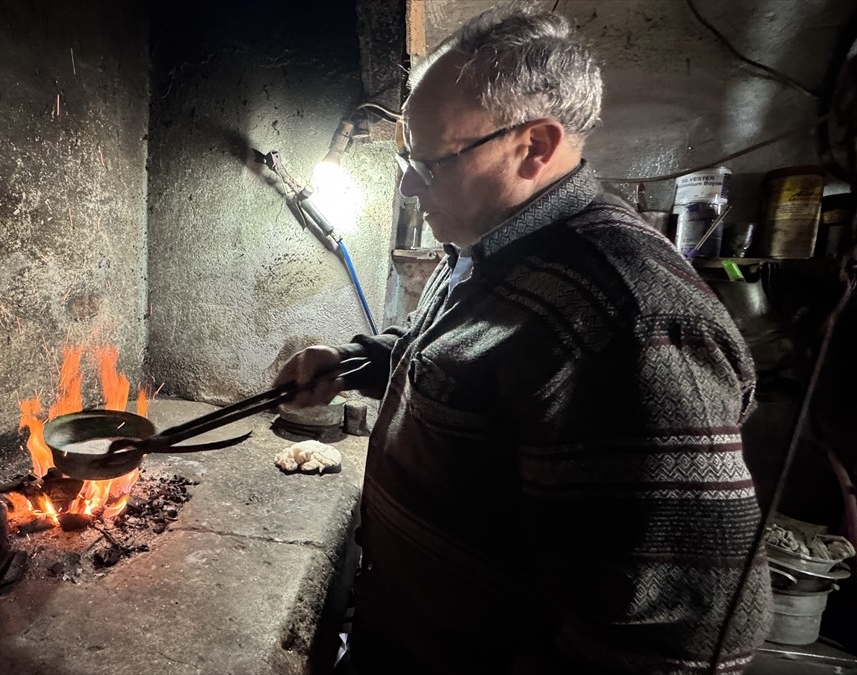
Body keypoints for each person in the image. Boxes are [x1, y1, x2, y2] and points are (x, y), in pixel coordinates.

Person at [275, 3, 773, 673]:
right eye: (407, 161)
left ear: (533, 146)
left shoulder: (630, 322)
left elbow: (681, 637)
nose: (412, 186)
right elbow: (468, 363)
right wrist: (354, 362)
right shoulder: (492, 245)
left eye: (432, 163)